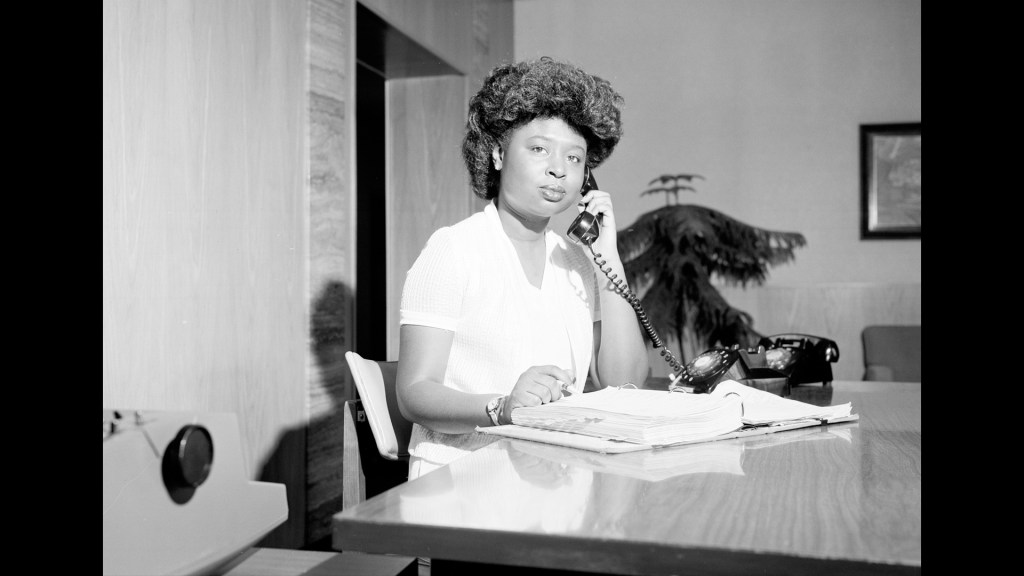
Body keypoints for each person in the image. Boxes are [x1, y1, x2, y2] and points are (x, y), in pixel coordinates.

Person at [395, 56, 649, 480]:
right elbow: (414, 393)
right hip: (464, 481)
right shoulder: (453, 250)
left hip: (559, 480)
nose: (558, 169)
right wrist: (502, 407)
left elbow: (626, 385)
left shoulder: (576, 262)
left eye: (574, 159)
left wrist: (609, 261)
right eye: (538, 149)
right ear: (497, 153)